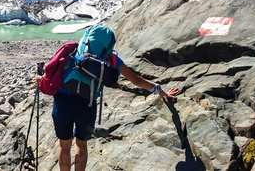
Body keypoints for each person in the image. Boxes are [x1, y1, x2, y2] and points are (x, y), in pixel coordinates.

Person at [34, 53, 179, 171]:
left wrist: (41, 79)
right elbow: (135, 80)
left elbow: (54, 71)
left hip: (62, 102)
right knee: (81, 145)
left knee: (64, 146)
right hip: (86, 104)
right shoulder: (111, 57)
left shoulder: (74, 50)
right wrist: (160, 91)